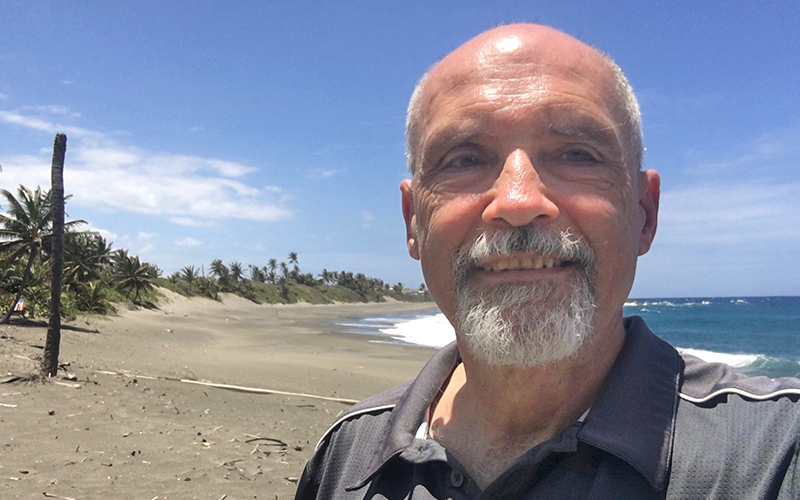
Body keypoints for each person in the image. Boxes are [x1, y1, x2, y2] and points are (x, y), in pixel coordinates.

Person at [295, 24, 800, 499]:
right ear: (413, 223)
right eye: (465, 159)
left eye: (577, 154)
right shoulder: (347, 454)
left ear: (644, 215)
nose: (518, 200)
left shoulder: (774, 455)